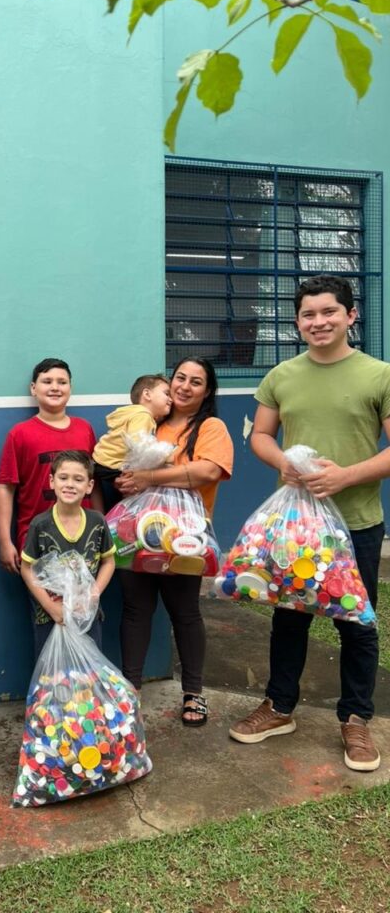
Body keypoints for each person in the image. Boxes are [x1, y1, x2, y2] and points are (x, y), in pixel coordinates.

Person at [229, 274, 390, 771]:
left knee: (357, 624)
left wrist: (346, 476)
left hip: (357, 522)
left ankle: (356, 719)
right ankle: (279, 707)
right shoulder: (281, 376)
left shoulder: (379, 374)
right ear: (298, 321)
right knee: (289, 616)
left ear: (350, 316)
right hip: (296, 528)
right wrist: (283, 463)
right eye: (308, 314)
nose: (318, 322)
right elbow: (259, 435)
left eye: (328, 312)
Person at [116, 357, 233, 725]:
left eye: (195, 382)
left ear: (207, 391)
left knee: (185, 612)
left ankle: (194, 693)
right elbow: (123, 463)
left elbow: (208, 470)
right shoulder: (149, 422)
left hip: (185, 539)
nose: (184, 386)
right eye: (179, 378)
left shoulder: (210, 427)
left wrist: (149, 476)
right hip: (139, 534)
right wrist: (124, 478)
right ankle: (130, 689)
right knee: (136, 610)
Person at [0, 358, 99, 576]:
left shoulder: (85, 430)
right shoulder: (20, 433)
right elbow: (6, 488)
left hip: (83, 536)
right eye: (47, 381)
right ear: (33, 388)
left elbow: (94, 485)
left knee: (82, 605)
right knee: (45, 607)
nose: (54, 387)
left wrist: (102, 527)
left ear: (70, 388)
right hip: (37, 539)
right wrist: (4, 541)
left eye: (62, 382)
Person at [21, 450, 116, 657]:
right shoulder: (40, 525)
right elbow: (27, 568)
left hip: (86, 612)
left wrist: (93, 594)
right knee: (53, 677)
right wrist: (50, 606)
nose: (70, 484)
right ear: (52, 481)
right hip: (50, 615)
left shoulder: (97, 522)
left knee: (88, 675)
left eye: (78, 479)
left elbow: (109, 562)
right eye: (63, 478)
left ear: (89, 486)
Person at [93, 374, 173, 505]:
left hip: (103, 461)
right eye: (166, 394)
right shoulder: (143, 415)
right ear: (147, 394)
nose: (171, 400)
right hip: (113, 464)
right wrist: (165, 457)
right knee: (139, 486)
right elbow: (138, 444)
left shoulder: (134, 413)